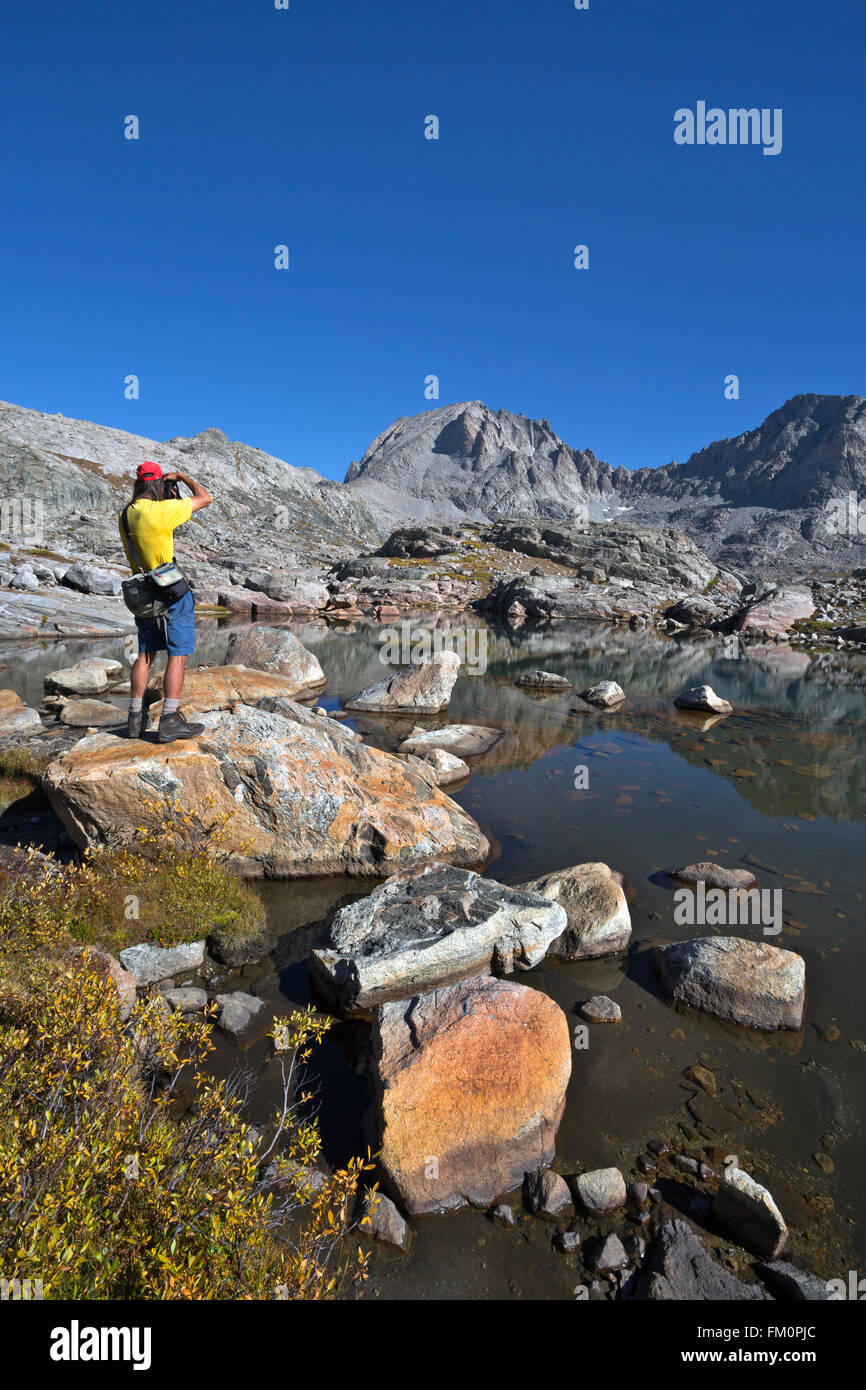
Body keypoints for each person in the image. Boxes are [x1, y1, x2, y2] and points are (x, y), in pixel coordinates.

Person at [119, 460, 213, 742]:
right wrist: (182, 477)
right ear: (159, 483)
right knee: (178, 653)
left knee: (145, 654)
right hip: (171, 592)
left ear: (138, 484)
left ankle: (135, 721)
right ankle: (170, 720)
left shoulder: (126, 514)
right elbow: (206, 498)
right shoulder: (163, 510)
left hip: (141, 592)